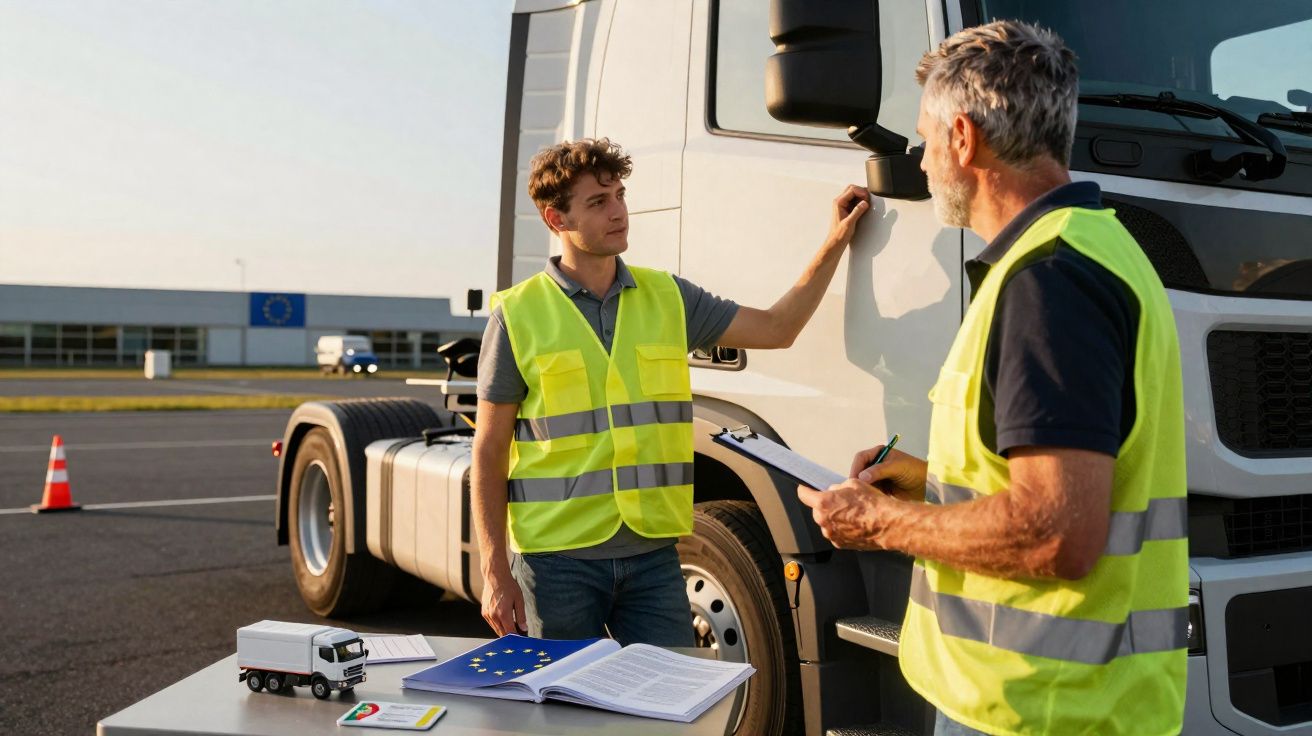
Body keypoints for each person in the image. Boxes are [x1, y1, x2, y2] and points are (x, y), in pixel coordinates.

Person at [796, 21, 1188, 736]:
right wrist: (926, 480)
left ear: (964, 140)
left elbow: (1054, 534)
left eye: (924, 138)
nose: (918, 162)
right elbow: (1069, 480)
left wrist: (882, 522)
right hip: (1071, 703)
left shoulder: (1048, 282)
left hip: (1035, 709)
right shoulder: (1094, 248)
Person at [474, 137, 869, 647]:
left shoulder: (668, 297)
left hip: (654, 558)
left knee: (670, 709)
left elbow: (777, 328)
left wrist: (836, 238)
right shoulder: (518, 314)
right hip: (556, 566)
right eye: (598, 202)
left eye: (619, 195)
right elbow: (488, 449)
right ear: (556, 220)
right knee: (565, 717)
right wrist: (493, 569)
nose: (619, 212)